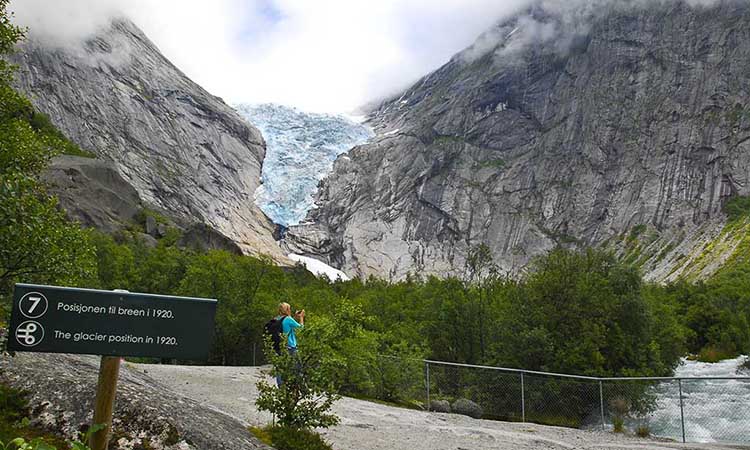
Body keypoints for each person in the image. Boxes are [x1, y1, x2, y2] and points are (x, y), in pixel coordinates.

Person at [275, 302, 304, 386]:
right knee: (297, 367)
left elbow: (287, 326)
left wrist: (294, 317)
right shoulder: (288, 319)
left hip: (280, 347)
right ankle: (299, 385)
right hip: (290, 346)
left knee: (280, 367)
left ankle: (281, 386)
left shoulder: (277, 319)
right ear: (287, 310)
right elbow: (300, 329)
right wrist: (301, 318)